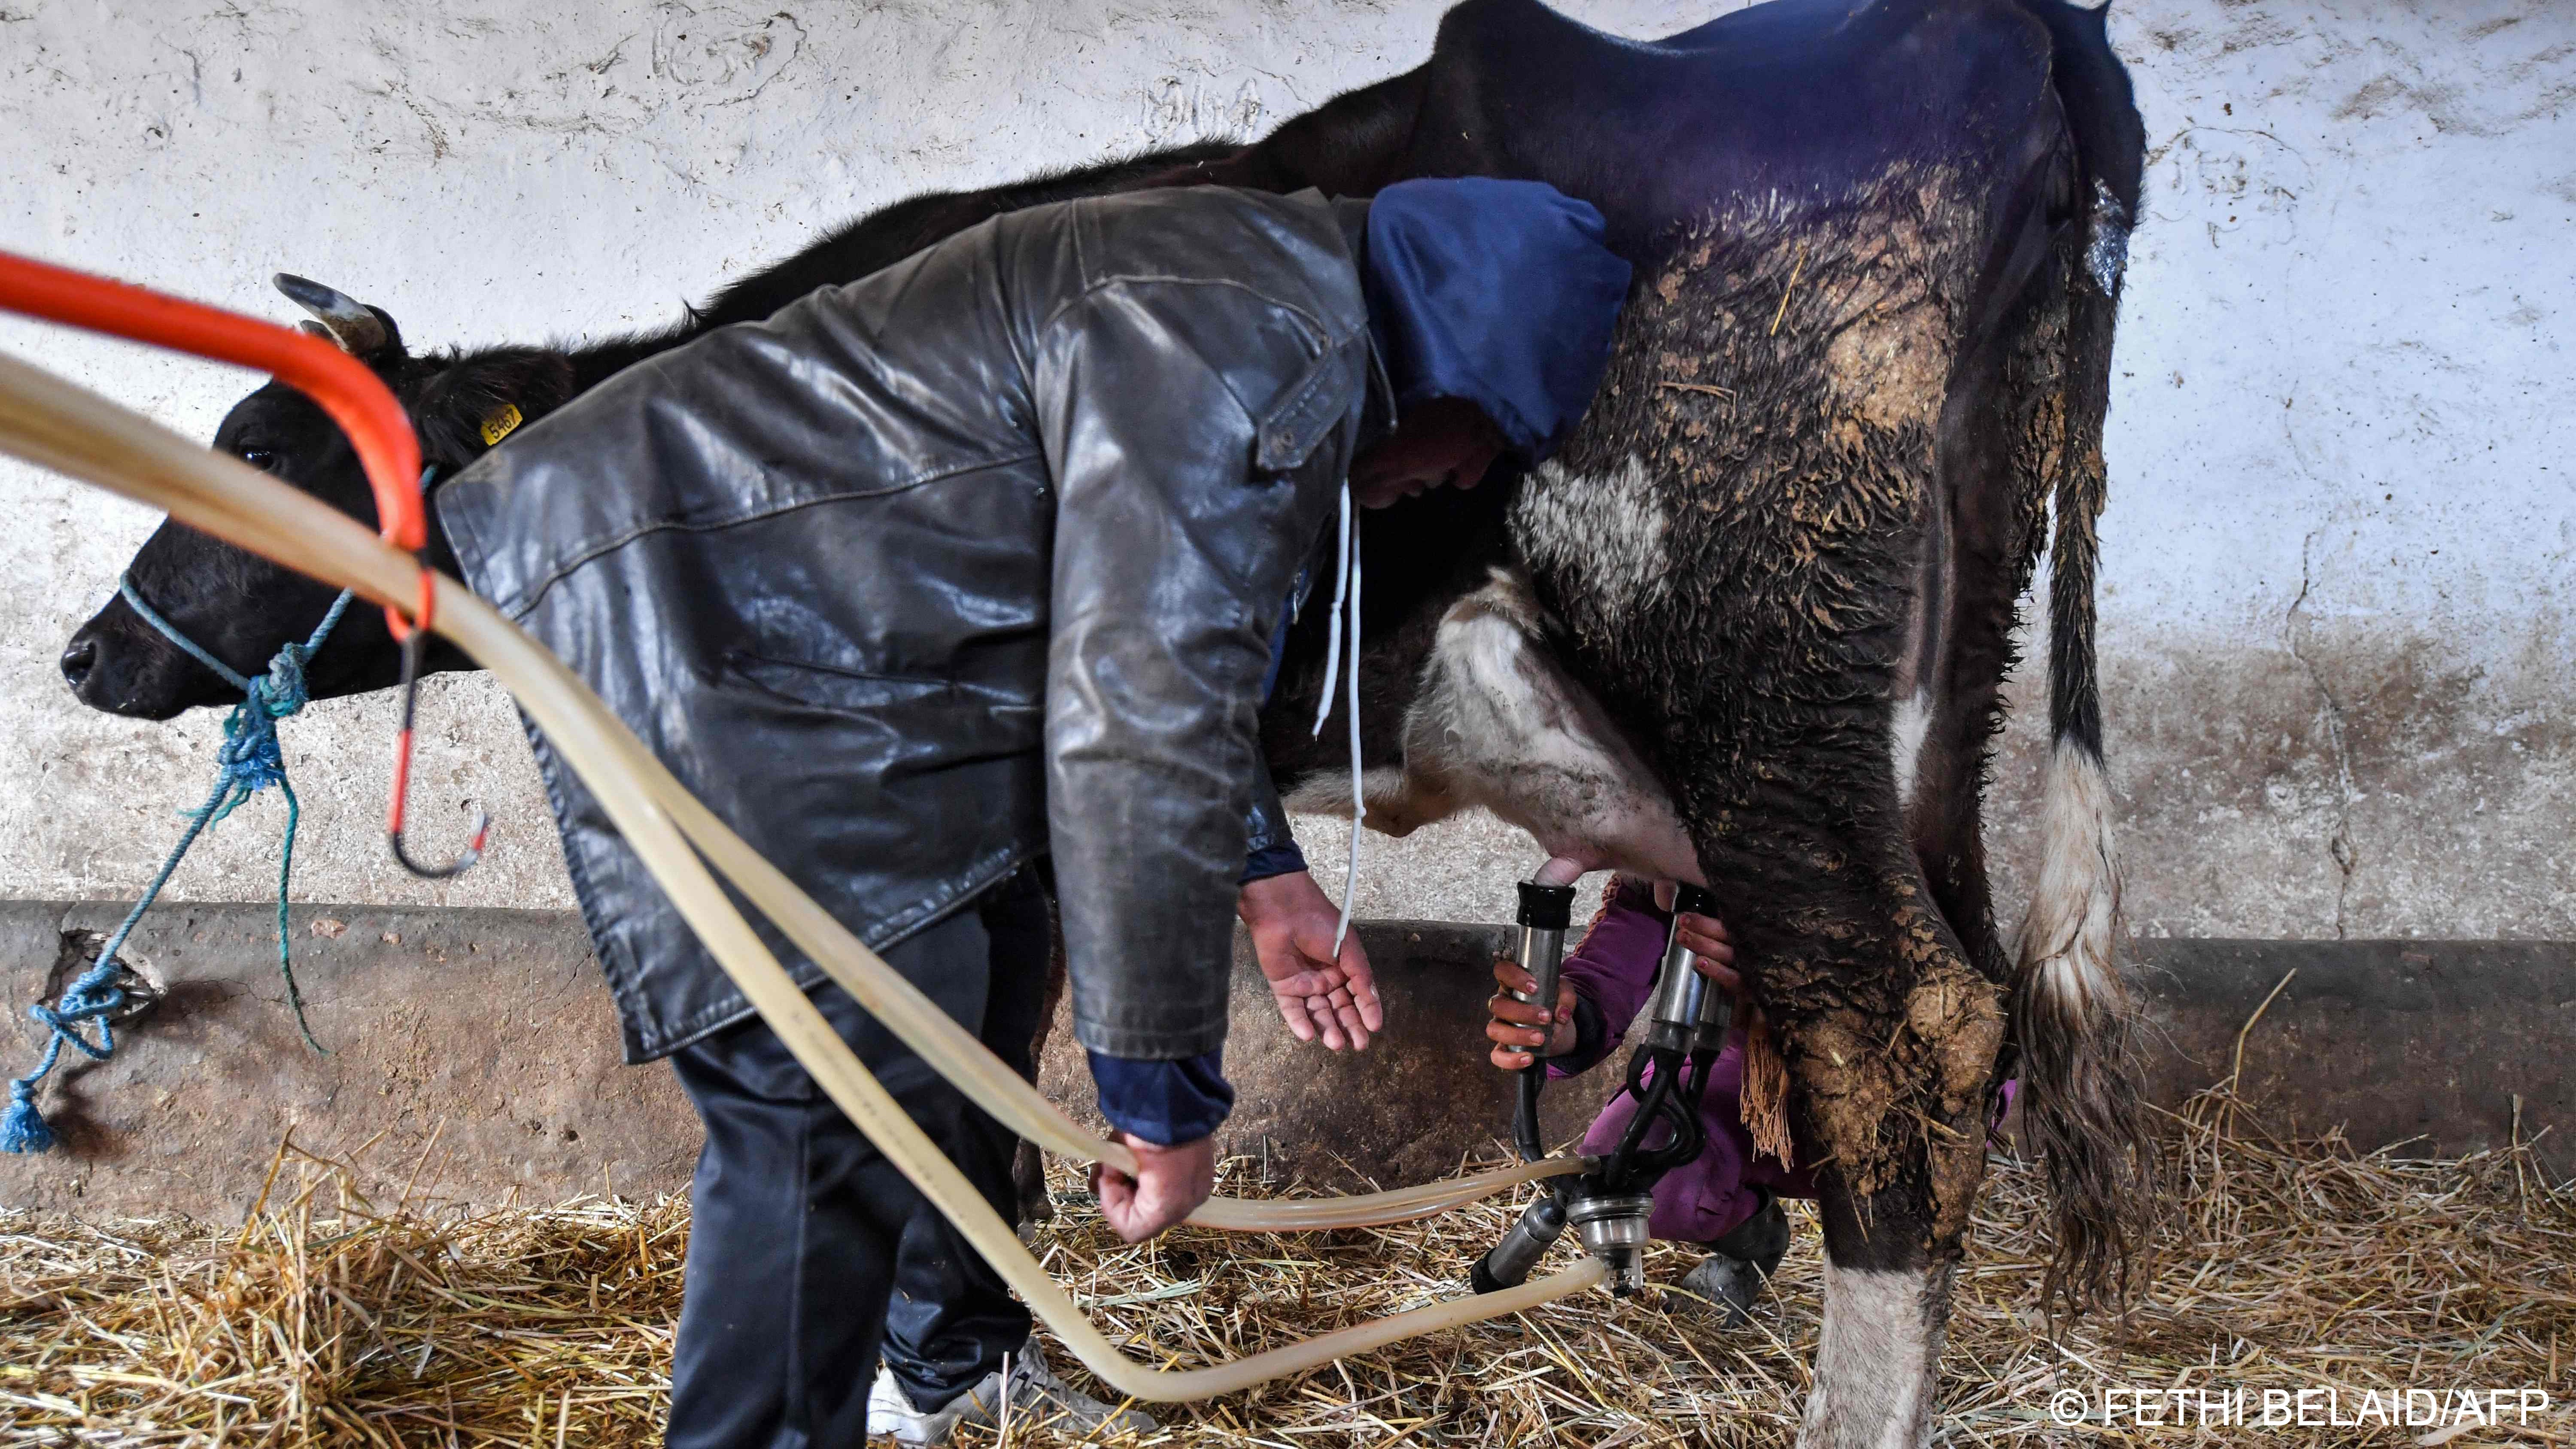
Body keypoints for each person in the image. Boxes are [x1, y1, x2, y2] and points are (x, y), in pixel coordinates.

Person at [431, 176, 1632, 1448]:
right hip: (711, 614)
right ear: (1457, 371)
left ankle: (941, 1363)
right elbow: (1138, 718)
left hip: (834, 642)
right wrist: (1162, 1103)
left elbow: (1145, 631)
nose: (1462, 478)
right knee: (829, 1088)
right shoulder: (1255, 356)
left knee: (982, 970)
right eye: (1490, 438)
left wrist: (1266, 873)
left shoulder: (1266, 290)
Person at [1484, 878, 1818, 1322]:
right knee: (1642, 1162)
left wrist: (1790, 975)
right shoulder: (1664, 859)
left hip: (1892, 1078)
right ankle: (1755, 1244)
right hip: (1752, 1066)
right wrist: (1558, 1023)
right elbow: (1615, 960)